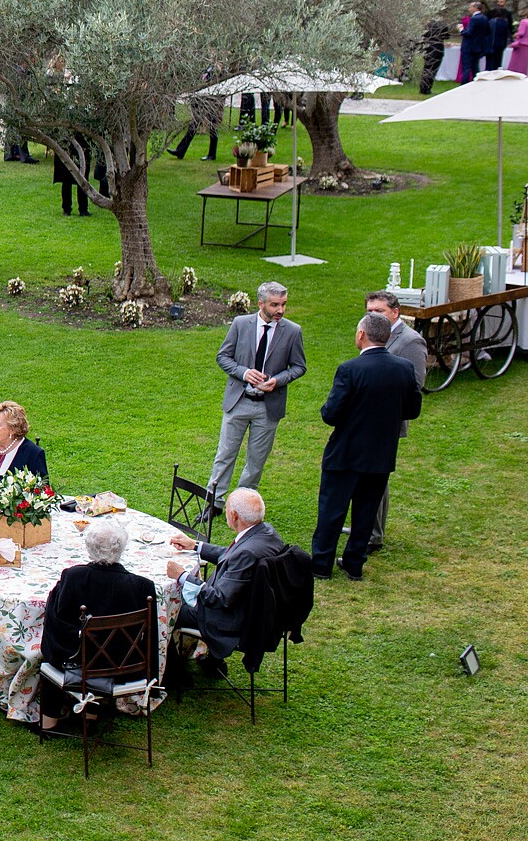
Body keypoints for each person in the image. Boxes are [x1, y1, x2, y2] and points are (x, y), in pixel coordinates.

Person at [311, 311, 423, 580]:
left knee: (332, 511)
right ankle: (354, 564)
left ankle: (321, 566)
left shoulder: (350, 369)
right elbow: (413, 409)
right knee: (365, 514)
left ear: (362, 334)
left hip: (346, 454)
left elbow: (331, 414)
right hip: (380, 454)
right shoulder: (403, 368)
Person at [37, 517, 157, 735]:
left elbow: (56, 623)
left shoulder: (73, 576)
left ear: (89, 547)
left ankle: (49, 722)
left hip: (78, 664)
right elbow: (151, 635)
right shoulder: (143, 586)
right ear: (121, 548)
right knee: (95, 648)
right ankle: (90, 717)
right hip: (125, 665)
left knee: (55, 649)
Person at [168, 487, 288, 671]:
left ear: (234, 515)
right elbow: (233, 557)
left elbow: (218, 598)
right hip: (258, 610)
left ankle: (172, 669)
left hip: (232, 620)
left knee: (172, 610)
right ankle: (211, 661)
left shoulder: (247, 553)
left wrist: (182, 576)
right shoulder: (266, 534)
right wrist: (196, 546)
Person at [207, 282, 306, 500]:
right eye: (274, 305)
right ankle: (214, 501)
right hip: (239, 400)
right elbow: (223, 357)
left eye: (283, 304)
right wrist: (244, 373)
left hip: (268, 407)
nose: (280, 310)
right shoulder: (241, 324)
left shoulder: (292, 331)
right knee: (225, 455)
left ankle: (243, 505)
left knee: (256, 461)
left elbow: (299, 367)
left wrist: (278, 380)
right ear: (260, 304)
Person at [362, 291, 430, 551]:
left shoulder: (411, 341)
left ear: (395, 312)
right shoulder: (372, 334)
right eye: (369, 311)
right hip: (365, 419)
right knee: (365, 476)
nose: (372, 316)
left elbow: (415, 385)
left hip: (386, 421)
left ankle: (374, 534)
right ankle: (366, 525)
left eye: (378, 311)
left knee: (377, 478)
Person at [460, 0, 490, 76]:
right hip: (478, 47)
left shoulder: (474, 19)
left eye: (470, 7)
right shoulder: (485, 18)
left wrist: (461, 29)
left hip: (469, 47)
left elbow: (468, 33)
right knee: (475, 67)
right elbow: (487, 32)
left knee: (466, 68)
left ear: (475, 8)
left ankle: (464, 85)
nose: (469, 9)